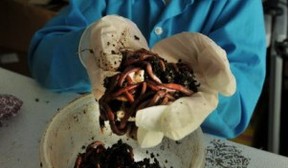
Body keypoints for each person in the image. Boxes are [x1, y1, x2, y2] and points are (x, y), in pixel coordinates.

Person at [28, 0, 266, 140]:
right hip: (102, 138)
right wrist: (86, 44)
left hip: (191, 150)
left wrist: (211, 92)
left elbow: (238, 111)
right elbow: (42, 59)